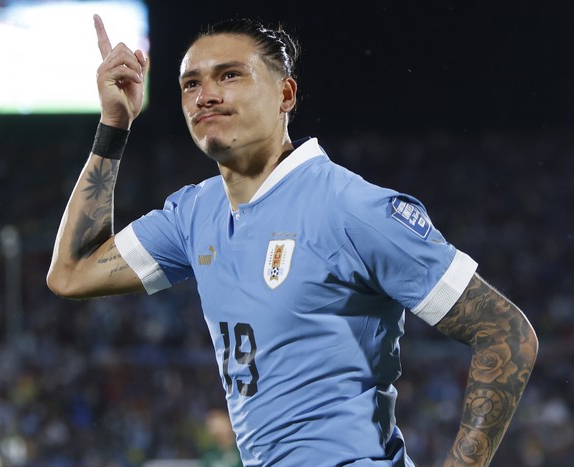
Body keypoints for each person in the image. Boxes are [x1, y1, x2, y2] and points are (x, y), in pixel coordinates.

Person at [47, 14, 538, 466]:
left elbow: (505, 331)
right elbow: (71, 274)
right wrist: (114, 125)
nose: (205, 95)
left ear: (286, 95)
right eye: (190, 83)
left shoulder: (350, 208)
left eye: (230, 75)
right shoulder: (194, 213)